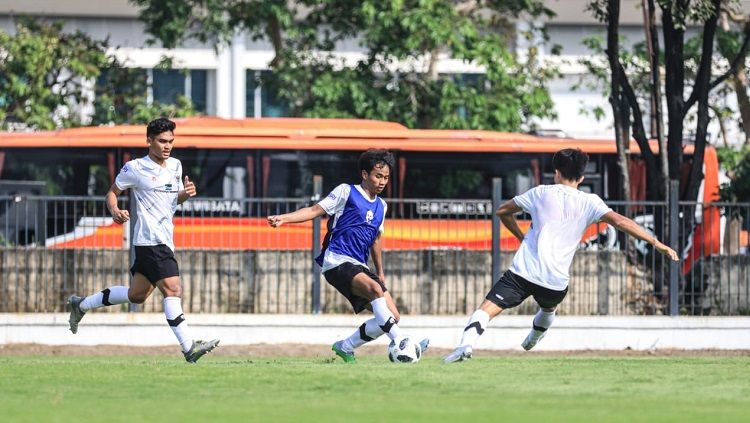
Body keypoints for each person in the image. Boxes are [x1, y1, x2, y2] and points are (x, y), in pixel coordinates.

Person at [443, 148, 679, 363]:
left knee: (487, 308)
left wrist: (520, 235)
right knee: (548, 309)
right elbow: (621, 221)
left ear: (556, 173)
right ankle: (534, 338)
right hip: (555, 282)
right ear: (582, 178)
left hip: (524, 272)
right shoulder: (591, 202)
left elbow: (502, 211)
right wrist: (657, 243)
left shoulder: (540, 193)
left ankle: (465, 345)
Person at [66, 117, 219, 363]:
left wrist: (185, 194)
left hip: (165, 239)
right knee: (173, 288)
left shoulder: (176, 166)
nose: (167, 146)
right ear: (149, 141)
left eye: (170, 141)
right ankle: (189, 347)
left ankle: (81, 305)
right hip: (149, 240)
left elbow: (172, 200)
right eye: (161, 141)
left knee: (137, 295)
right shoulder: (135, 168)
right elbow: (112, 194)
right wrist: (115, 211)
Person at [267, 149, 428, 363]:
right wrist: (284, 218)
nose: (382, 182)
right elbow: (315, 210)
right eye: (377, 176)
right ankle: (402, 341)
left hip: (359, 265)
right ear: (364, 174)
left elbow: (376, 240)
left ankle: (346, 346)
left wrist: (379, 272)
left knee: (393, 316)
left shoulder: (382, 206)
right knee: (375, 291)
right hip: (337, 261)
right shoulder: (346, 192)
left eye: (386, 177)